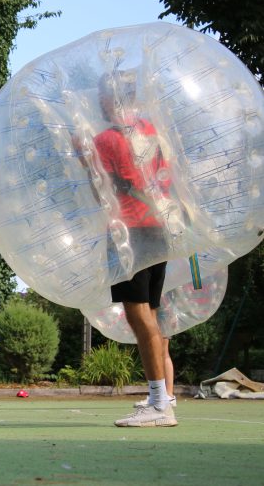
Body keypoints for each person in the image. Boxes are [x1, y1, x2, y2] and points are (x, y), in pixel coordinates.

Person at [92, 70, 177, 427]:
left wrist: (87, 159)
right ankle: (164, 396)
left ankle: (159, 404)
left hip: (129, 230)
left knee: (137, 314)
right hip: (159, 226)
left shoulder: (105, 140)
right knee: (151, 313)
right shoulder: (152, 132)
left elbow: (101, 191)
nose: (99, 102)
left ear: (114, 100)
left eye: (103, 97)